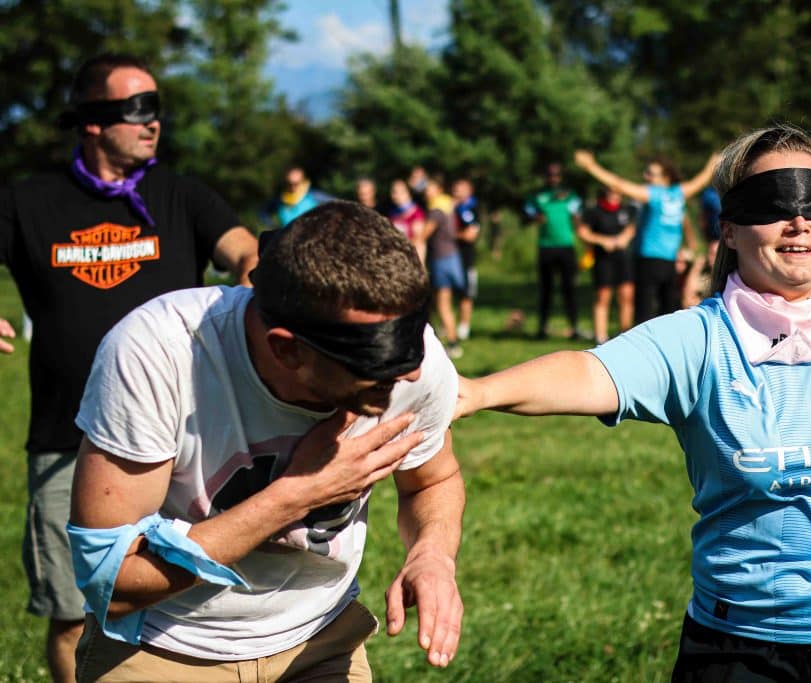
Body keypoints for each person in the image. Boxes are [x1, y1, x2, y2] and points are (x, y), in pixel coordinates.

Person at [458, 124, 811, 682]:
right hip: (743, 645)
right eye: (773, 203)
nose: (798, 221)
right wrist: (475, 392)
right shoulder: (700, 338)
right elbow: (590, 372)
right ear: (729, 230)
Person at [68, 200, 465, 681]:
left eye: (412, 348)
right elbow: (110, 582)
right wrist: (299, 494)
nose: (411, 374)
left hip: (321, 637)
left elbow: (430, 479)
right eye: (377, 366)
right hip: (163, 645)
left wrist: (433, 554)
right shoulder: (159, 352)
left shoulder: (413, 364)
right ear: (286, 348)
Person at [0, 53, 258, 683]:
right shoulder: (30, 202)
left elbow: (244, 248)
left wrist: (257, 283)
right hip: (69, 441)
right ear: (91, 121)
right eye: (136, 110)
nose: (153, 125)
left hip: (190, 440)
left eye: (157, 110)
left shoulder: (179, 195)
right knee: (72, 612)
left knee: (196, 601)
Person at [574, 150, 718, 323]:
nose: (646, 176)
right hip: (663, 261)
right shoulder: (679, 193)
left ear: (665, 178)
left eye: (651, 173)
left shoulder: (654, 194)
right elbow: (700, 181)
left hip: (652, 261)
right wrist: (713, 162)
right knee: (667, 314)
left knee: (647, 314)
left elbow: (619, 185)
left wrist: (591, 167)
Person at [524, 163, 583, 339]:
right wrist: (535, 216)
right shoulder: (538, 195)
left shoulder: (570, 195)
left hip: (566, 245)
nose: (553, 178)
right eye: (550, 175)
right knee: (546, 289)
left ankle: (574, 327)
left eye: (556, 175)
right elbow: (527, 211)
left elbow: (578, 214)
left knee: (569, 289)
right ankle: (542, 327)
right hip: (546, 246)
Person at [577, 187, 636, 343]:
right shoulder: (594, 211)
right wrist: (602, 241)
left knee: (627, 295)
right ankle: (600, 336)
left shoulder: (626, 210)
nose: (614, 195)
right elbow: (583, 233)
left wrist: (624, 238)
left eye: (617, 192)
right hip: (603, 259)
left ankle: (625, 334)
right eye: (611, 191)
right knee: (603, 296)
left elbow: (632, 227)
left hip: (623, 258)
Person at [424, 177, 466, 358]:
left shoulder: (436, 210)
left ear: (439, 189)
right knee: (441, 302)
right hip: (452, 257)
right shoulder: (447, 204)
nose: (426, 191)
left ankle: (453, 342)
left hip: (442, 259)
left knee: (443, 304)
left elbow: (423, 234)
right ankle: (448, 338)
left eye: (430, 188)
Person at [452, 178, 480, 341]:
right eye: (455, 188)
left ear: (469, 190)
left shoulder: (472, 208)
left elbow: (471, 235)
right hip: (449, 257)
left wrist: (450, 235)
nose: (456, 191)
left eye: (460, 188)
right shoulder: (451, 208)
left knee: (466, 293)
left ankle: (464, 326)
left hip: (466, 258)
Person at [268, 165, 334, 228]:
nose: (293, 187)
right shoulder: (280, 201)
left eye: (296, 183)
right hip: (291, 238)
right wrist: (275, 227)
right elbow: (263, 213)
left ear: (302, 180)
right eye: (289, 183)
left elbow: (339, 204)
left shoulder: (313, 195)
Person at [389, 178, 427, 263]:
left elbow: (418, 240)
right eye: (393, 192)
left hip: (413, 260)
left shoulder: (416, 213)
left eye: (397, 192)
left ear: (407, 193)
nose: (394, 195)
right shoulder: (393, 213)